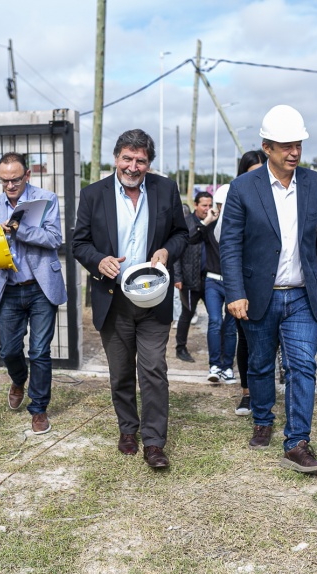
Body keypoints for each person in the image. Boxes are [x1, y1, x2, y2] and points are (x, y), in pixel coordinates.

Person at [220, 105, 317, 475]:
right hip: (258, 294)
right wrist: (235, 292)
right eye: (285, 146)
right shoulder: (243, 188)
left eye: (298, 144)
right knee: (259, 362)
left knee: (303, 364)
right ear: (266, 147)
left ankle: (297, 441)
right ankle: (262, 417)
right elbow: (230, 245)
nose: (294, 152)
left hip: (302, 294)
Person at [73, 129, 188, 469]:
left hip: (154, 298)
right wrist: (99, 260)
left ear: (149, 163)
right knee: (121, 372)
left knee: (153, 368)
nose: (133, 166)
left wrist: (167, 250)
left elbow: (182, 233)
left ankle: (154, 442)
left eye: (141, 160)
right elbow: (79, 242)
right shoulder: (93, 194)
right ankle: (128, 429)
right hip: (113, 298)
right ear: (115, 158)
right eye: (127, 158)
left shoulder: (165, 189)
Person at [0, 152, 67, 435]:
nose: (9, 185)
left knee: (40, 351)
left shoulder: (46, 200)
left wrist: (20, 230)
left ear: (27, 175)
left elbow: (55, 238)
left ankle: (39, 409)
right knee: (8, 349)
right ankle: (18, 379)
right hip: (10, 286)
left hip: (42, 287)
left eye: (15, 179)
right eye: (4, 180)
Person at [214, 150, 267, 416]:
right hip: (246, 282)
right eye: (251, 173)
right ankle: (247, 392)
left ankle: (265, 391)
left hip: (275, 282)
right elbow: (224, 239)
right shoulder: (238, 197)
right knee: (246, 339)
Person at [185, 191, 237, 384]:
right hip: (213, 281)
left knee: (231, 327)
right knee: (215, 322)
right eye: (221, 204)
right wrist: (206, 221)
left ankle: (227, 367)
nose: (224, 208)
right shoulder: (210, 225)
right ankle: (214, 365)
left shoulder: (239, 225)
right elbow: (190, 239)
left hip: (233, 282)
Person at [172, 197, 206, 364]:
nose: (207, 209)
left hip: (209, 279)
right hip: (188, 278)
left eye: (209, 205)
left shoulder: (212, 222)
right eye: (204, 205)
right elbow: (177, 251)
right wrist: (177, 277)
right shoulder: (187, 222)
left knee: (216, 317)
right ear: (196, 205)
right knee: (187, 314)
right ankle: (180, 348)